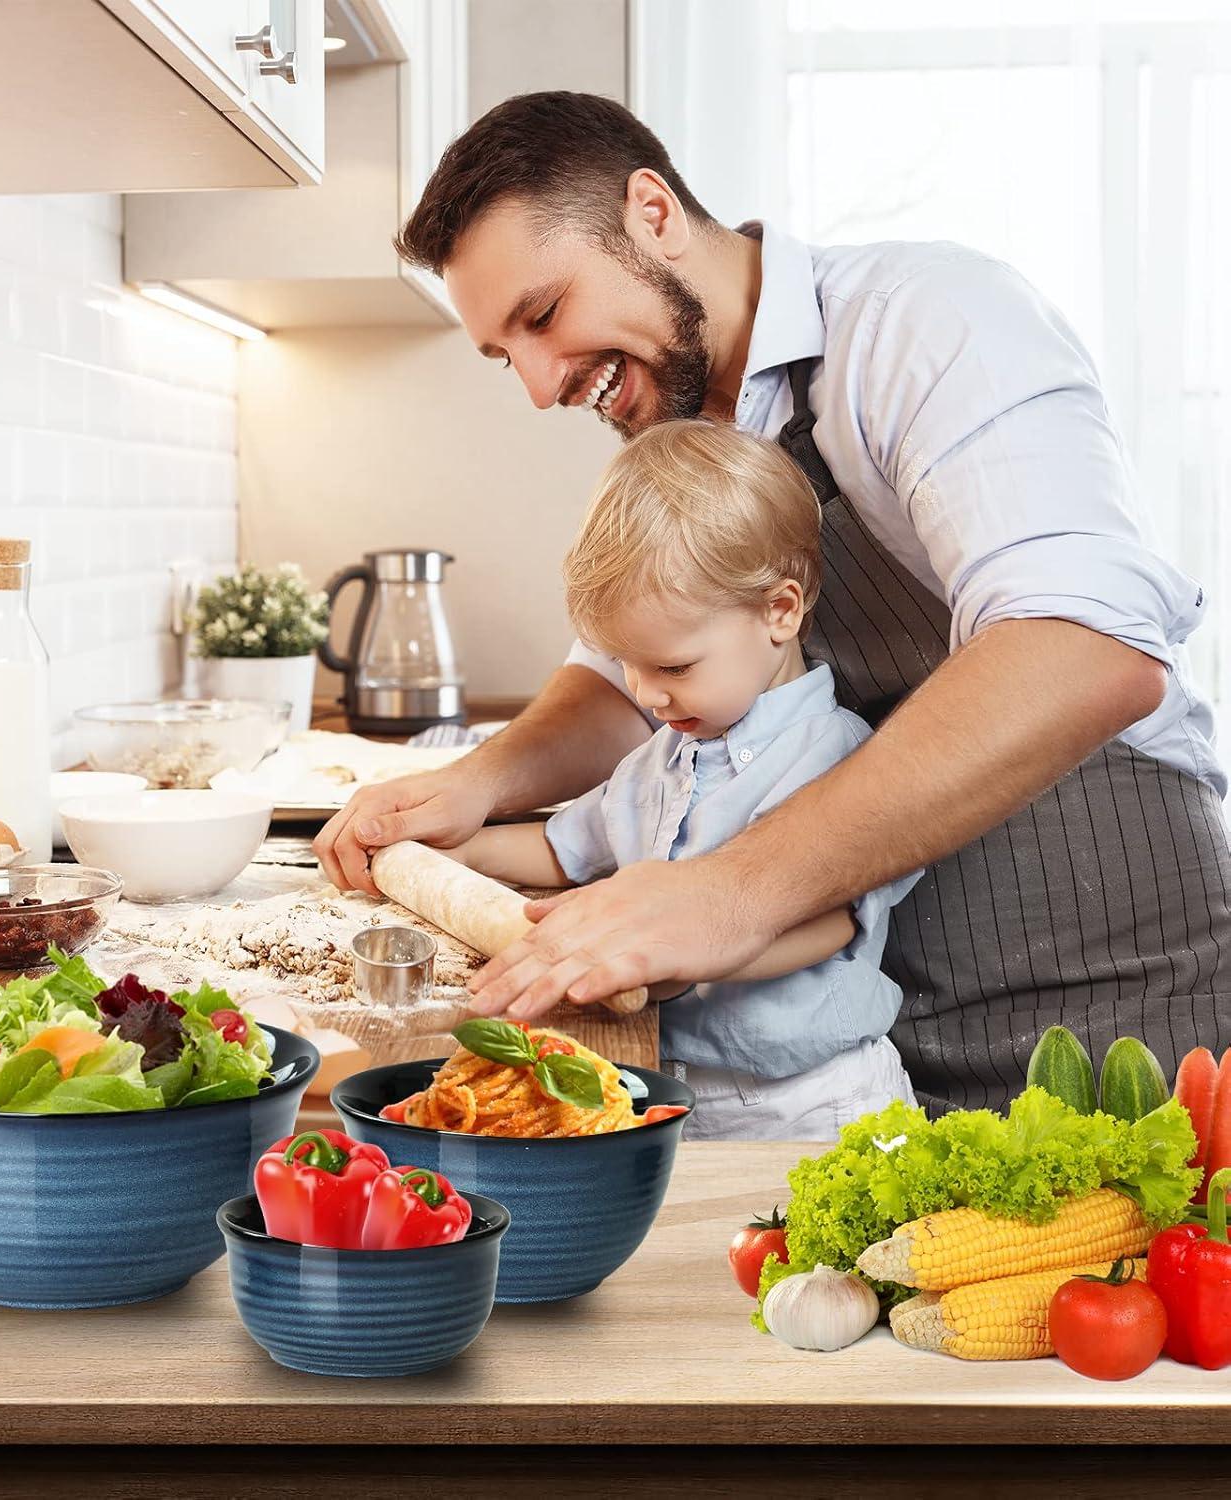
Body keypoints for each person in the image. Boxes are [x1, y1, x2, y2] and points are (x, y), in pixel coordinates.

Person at [313, 91, 1231, 1114]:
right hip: (865, 1018)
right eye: (505, 354)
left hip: (1099, 983)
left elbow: (1084, 644)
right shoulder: (687, 436)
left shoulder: (925, 321)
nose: (537, 384)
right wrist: (477, 785)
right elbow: (626, 687)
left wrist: (730, 895)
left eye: (543, 316)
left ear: (652, 213)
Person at [445, 419, 919, 1138]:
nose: (648, 694)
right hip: (688, 1097)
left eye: (673, 667)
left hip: (817, 1104)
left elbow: (828, 923)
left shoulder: (836, 756)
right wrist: (460, 853)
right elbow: (567, 846)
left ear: (780, 612)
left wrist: (693, 959)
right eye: (626, 664)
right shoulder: (661, 758)